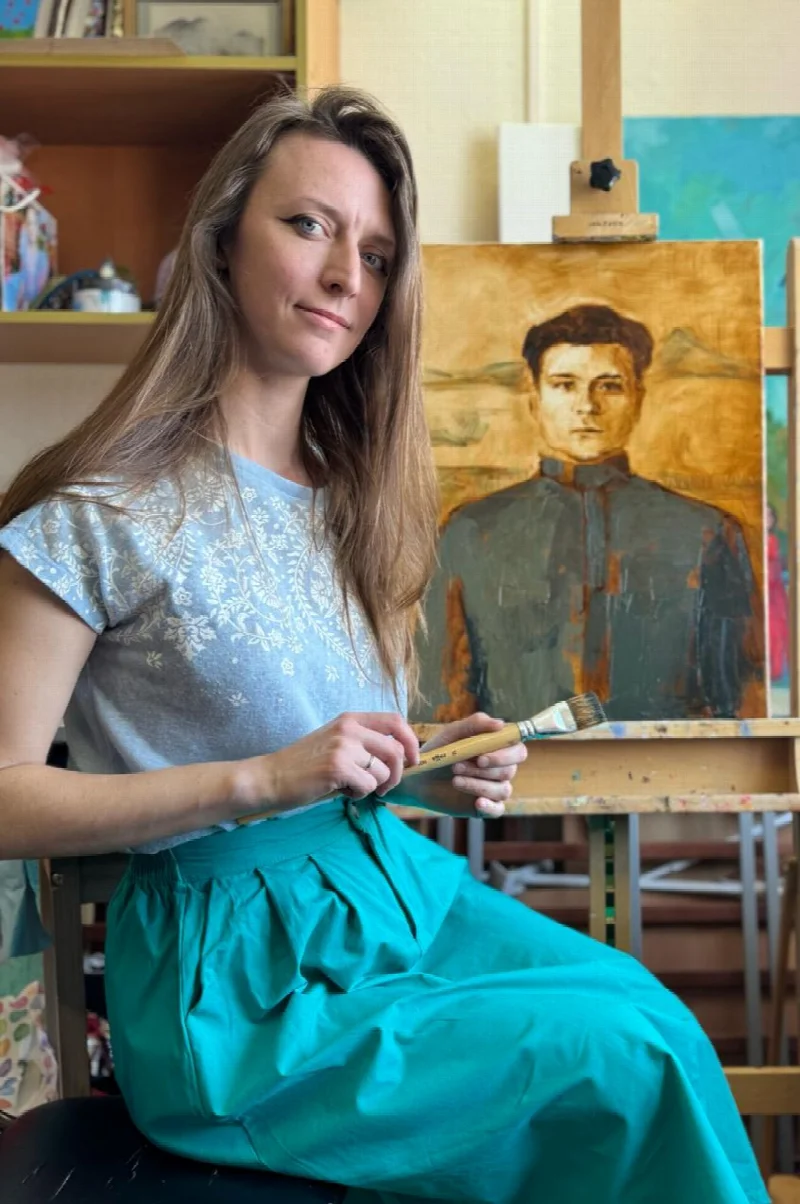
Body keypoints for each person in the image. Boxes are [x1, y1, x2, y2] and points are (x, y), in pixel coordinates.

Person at [0, 89, 767, 1204]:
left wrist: (425, 768)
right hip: (242, 994)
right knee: (622, 1057)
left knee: (655, 1020)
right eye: (307, 225)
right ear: (220, 239)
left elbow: (331, 757)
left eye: (374, 254)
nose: (343, 275)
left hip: (394, 896)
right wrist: (264, 779)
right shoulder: (95, 513)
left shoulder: (356, 503)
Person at [419, 303, 764, 725]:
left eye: (610, 386)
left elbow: (743, 706)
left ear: (638, 399)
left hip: (669, 763)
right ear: (534, 400)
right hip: (510, 764)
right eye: (565, 385)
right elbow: (440, 702)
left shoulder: (707, 532)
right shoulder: (472, 530)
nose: (587, 406)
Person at [767, 502, 789, 683]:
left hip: (774, 592)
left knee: (776, 629)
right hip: (763, 588)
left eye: (769, 516)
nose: (767, 519)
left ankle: (775, 669)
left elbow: (775, 568)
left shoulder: (773, 540)